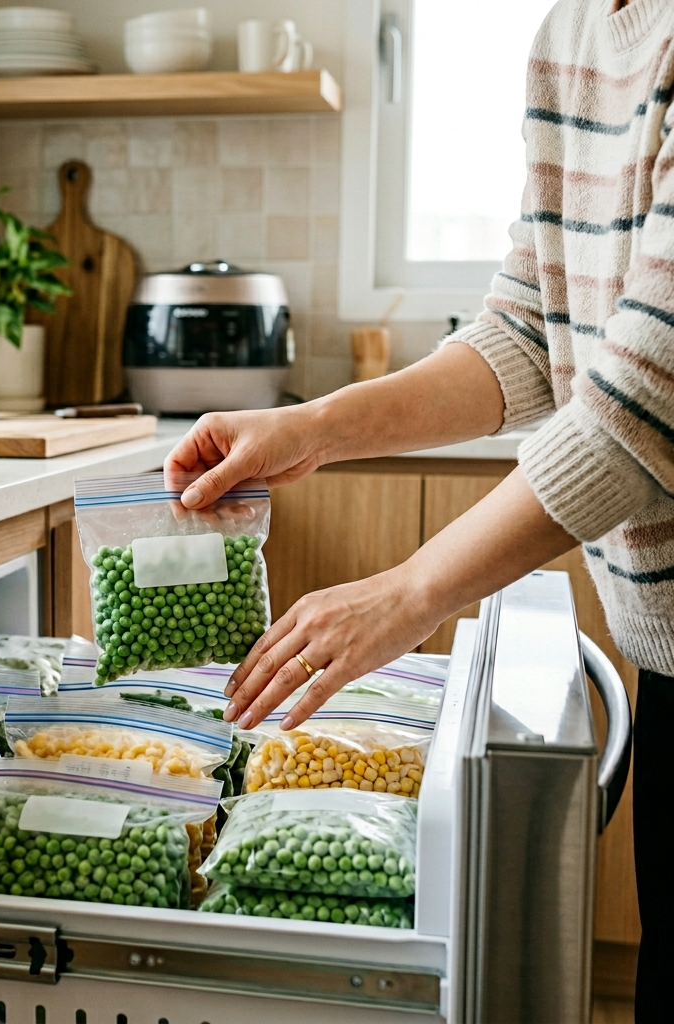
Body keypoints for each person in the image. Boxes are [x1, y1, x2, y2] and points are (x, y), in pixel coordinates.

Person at [165, 0, 673, 1017]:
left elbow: (644, 389)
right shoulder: (569, 34)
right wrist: (315, 425)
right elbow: (526, 330)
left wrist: (408, 591)